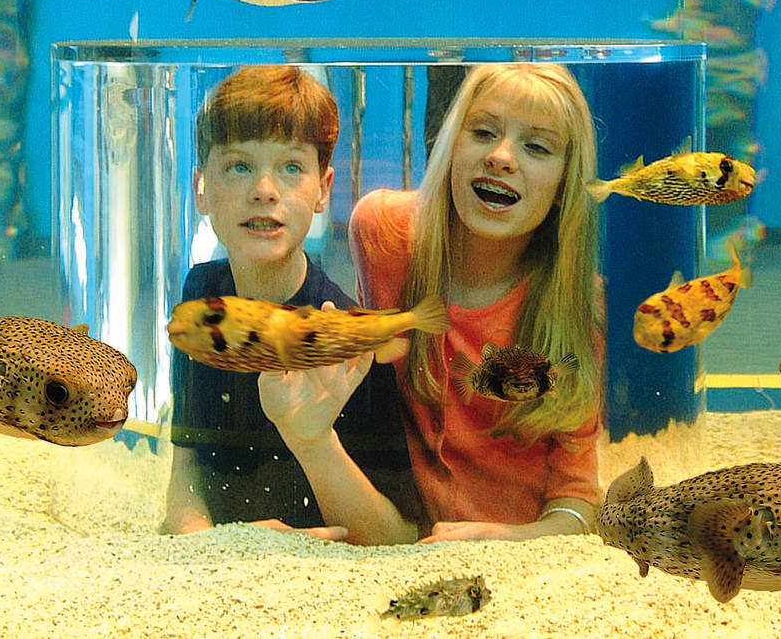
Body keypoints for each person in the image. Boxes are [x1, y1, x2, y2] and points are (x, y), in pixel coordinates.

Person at [263, 62, 605, 543]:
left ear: (564, 186)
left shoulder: (580, 301)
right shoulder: (380, 231)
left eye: (537, 147)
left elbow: (577, 498)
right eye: (483, 132)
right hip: (393, 536)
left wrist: (514, 541)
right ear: (450, 146)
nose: (502, 157)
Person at [162, 65, 422, 543]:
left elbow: (399, 535)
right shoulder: (200, 293)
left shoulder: (348, 340)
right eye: (239, 166)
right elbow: (187, 468)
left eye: (290, 167)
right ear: (201, 188)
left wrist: (314, 441)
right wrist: (202, 544)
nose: (264, 189)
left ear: (323, 189)